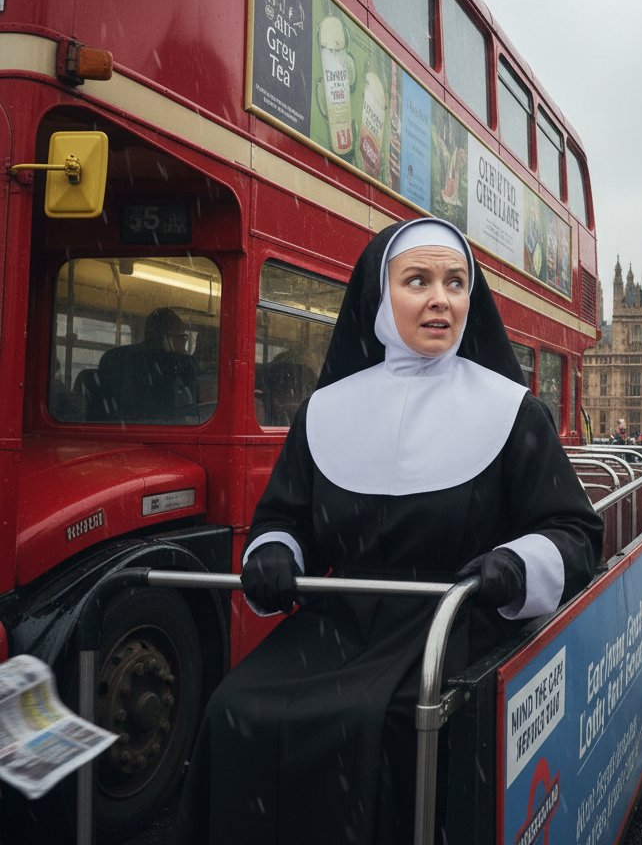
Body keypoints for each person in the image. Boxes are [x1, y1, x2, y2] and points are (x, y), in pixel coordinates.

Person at [175, 218, 604, 845]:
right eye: (418, 281)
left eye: (456, 283)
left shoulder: (513, 412)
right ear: (380, 298)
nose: (441, 298)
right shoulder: (327, 410)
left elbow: (572, 531)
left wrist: (515, 563)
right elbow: (284, 521)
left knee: (403, 726)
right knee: (235, 710)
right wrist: (273, 553)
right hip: (339, 625)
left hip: (454, 627)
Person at [97, 306, 198, 422]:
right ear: (166, 339)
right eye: (181, 336)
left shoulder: (112, 357)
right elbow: (189, 415)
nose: (184, 342)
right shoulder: (178, 365)